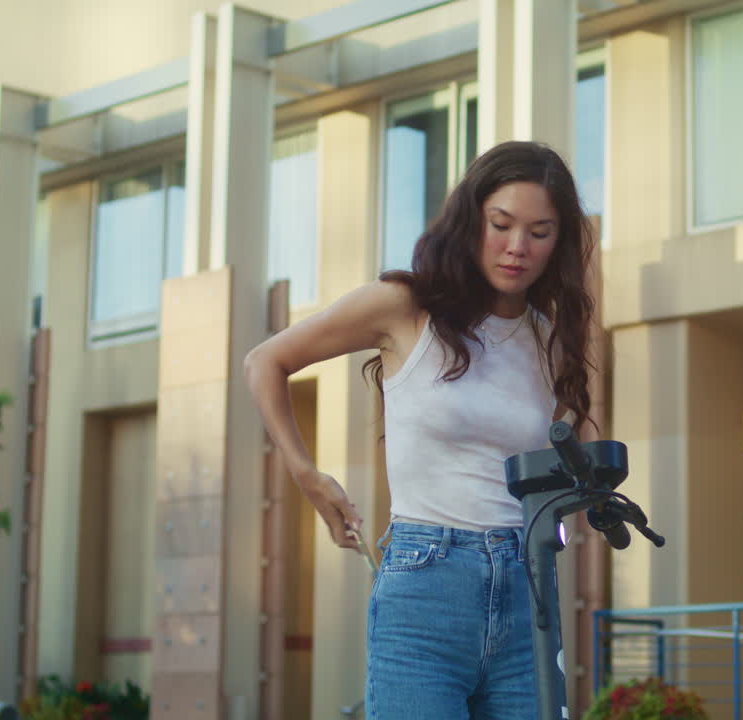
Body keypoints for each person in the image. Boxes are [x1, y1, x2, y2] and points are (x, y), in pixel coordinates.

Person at [243, 140, 596, 719]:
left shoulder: (549, 340)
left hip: (526, 585)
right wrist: (307, 476)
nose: (516, 248)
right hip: (427, 582)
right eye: (501, 224)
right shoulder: (406, 308)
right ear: (472, 218)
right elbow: (265, 363)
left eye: (540, 231)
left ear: (558, 241)